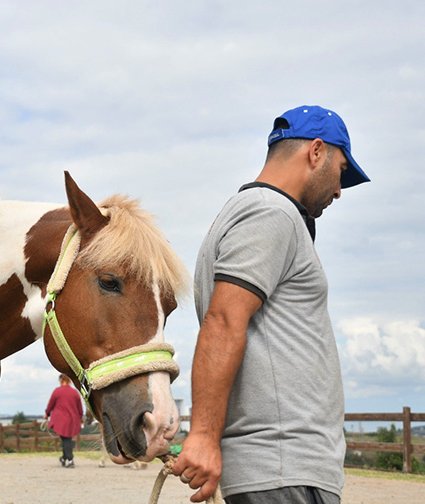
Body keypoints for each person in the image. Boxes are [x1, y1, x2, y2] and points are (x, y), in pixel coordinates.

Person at [172, 105, 370, 503]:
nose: (338, 190)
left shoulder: (259, 213)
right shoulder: (270, 212)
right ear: (316, 152)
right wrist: (205, 437)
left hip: (285, 471)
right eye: (342, 172)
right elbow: (224, 320)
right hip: (283, 468)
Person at [44, 374, 84, 468]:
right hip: (72, 420)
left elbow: (51, 404)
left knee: (66, 440)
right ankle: (64, 458)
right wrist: (81, 417)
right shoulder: (74, 392)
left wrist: (47, 414)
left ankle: (70, 460)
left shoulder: (57, 391)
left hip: (60, 420)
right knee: (67, 439)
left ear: (61, 380)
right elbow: (79, 407)